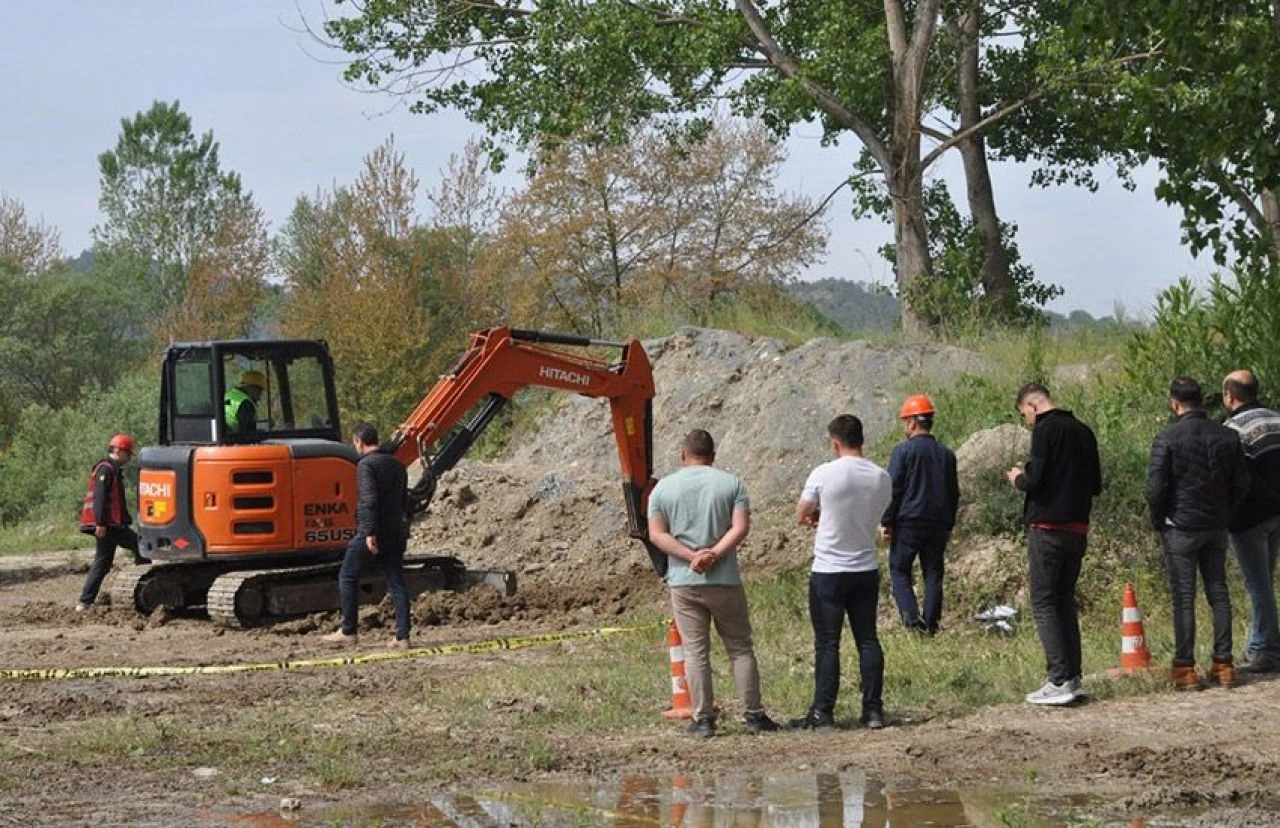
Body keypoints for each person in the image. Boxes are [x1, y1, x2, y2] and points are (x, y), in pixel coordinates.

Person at [647, 429, 780, 738]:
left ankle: (703, 718)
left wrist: (691, 556)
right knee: (740, 648)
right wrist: (714, 555)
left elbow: (656, 534)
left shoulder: (662, 490)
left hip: (684, 580)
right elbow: (741, 527)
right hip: (724, 578)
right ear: (713, 455)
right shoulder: (731, 483)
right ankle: (754, 714)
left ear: (683, 455)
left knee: (695, 652)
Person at [1147, 377, 1251, 690]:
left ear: (1174, 403)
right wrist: (1226, 513)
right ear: (1203, 401)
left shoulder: (1166, 438)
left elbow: (1155, 489)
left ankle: (1184, 668)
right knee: (1218, 594)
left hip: (1180, 526)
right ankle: (1223, 665)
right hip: (1216, 526)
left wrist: (1159, 520)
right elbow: (1243, 483)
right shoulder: (1228, 437)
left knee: (1183, 597)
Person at [791, 415, 893, 731]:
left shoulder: (824, 473)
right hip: (865, 566)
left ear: (835, 442)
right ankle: (873, 711)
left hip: (829, 569)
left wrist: (819, 518)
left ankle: (823, 712)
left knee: (827, 642)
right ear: (862, 439)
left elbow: (801, 513)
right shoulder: (881, 476)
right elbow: (873, 514)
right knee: (867, 639)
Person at [1006, 382, 1101, 705]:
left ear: (1032, 405)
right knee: (1064, 601)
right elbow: (1096, 484)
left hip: (1047, 527)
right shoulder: (1084, 431)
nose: (1027, 421)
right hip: (1078, 527)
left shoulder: (1046, 431)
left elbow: (1036, 481)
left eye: (1024, 415)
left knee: (1044, 602)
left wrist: (1019, 476)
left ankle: (1058, 679)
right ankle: (1073, 677)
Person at [322, 422, 412, 648]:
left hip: (374, 532)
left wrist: (369, 532)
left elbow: (368, 500)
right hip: (395, 531)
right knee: (396, 582)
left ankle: (348, 631)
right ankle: (403, 637)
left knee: (348, 576)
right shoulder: (398, 465)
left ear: (358, 442)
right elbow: (404, 502)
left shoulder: (365, 465)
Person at [881, 394, 959, 634]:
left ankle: (912, 623)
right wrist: (948, 525)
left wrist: (886, 521)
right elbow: (953, 493)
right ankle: (931, 625)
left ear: (912, 423)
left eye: (905, 421)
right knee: (933, 574)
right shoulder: (946, 455)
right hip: (937, 524)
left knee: (899, 570)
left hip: (908, 522)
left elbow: (893, 488)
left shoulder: (902, 452)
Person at [1222, 370, 1280, 673]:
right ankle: (1259, 644)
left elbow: (1236, 479)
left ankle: (1269, 651)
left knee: (1258, 585)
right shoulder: (1276, 419)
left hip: (1249, 519)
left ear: (1230, 396)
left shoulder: (1233, 429)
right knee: (1265, 583)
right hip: (1275, 515)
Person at [76, 433, 146, 611]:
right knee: (141, 547)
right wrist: (100, 523)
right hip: (108, 526)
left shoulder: (112, 470)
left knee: (103, 562)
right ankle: (143, 590)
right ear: (117, 450)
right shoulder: (106, 470)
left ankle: (84, 602)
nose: (129, 457)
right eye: (127, 453)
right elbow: (99, 498)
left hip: (111, 525)